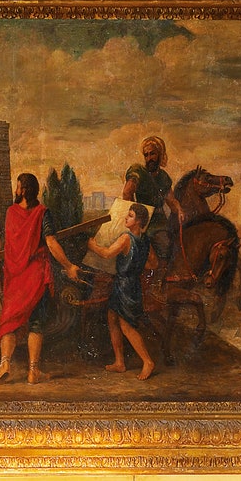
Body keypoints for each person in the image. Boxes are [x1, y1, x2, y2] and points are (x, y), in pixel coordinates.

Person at [0, 171, 83, 384]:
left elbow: (12, 246)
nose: (16, 190)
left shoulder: (10, 213)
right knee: (36, 323)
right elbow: (51, 243)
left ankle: (5, 362)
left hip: (15, 278)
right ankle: (33, 371)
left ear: (22, 190)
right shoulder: (42, 213)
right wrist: (69, 266)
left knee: (10, 321)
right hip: (35, 277)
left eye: (17, 186)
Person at [87, 202, 155, 380]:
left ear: (139, 221)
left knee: (126, 326)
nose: (126, 217)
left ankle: (147, 361)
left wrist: (92, 246)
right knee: (112, 320)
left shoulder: (126, 238)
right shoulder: (146, 240)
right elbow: (153, 264)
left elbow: (107, 253)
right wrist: (137, 265)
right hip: (131, 284)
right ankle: (120, 362)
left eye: (130, 215)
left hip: (125, 286)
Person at [122, 135, 178, 270]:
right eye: (146, 155)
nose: (149, 158)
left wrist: (181, 211)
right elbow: (126, 193)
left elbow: (171, 201)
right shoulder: (138, 171)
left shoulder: (163, 177)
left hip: (161, 221)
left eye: (152, 154)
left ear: (160, 154)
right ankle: (157, 282)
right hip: (144, 222)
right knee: (165, 245)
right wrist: (136, 218)